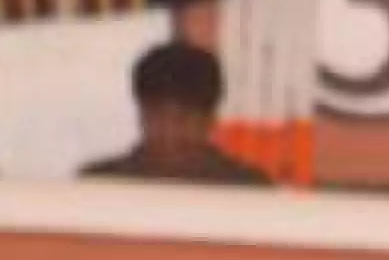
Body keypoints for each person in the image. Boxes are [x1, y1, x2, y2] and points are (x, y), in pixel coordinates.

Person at [79, 41, 272, 185]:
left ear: (209, 120)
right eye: (157, 116)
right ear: (141, 113)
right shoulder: (101, 184)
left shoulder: (246, 189)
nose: (169, 133)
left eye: (184, 119)